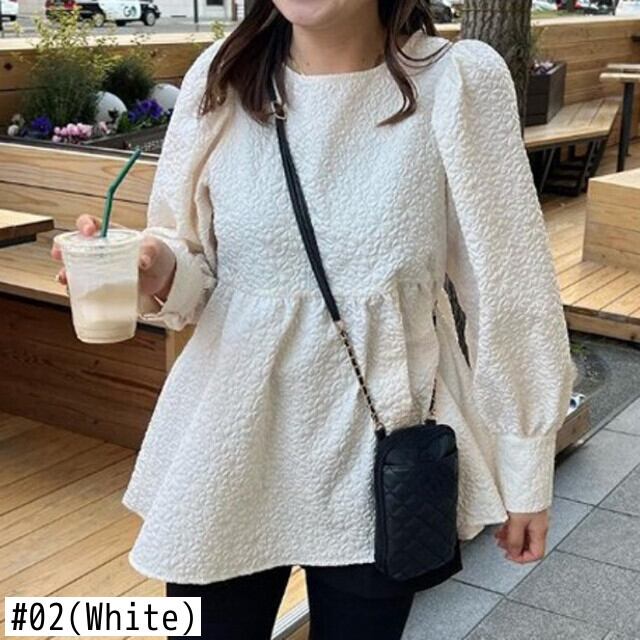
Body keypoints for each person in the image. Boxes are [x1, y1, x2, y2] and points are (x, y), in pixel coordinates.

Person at [51, 1, 578, 638]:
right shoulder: (222, 77)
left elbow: (511, 289)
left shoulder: (458, 81)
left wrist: (525, 459)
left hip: (378, 450)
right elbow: (190, 257)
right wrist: (154, 266)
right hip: (230, 440)